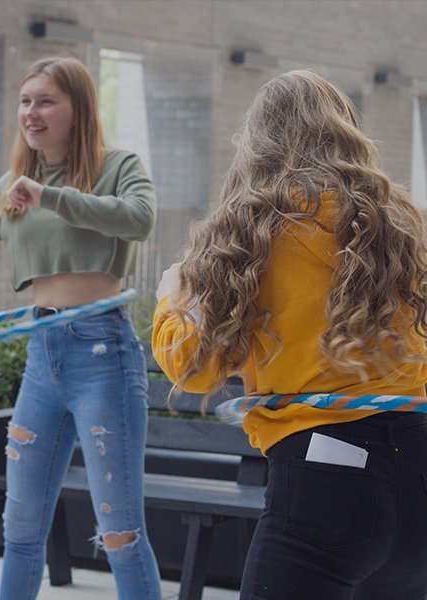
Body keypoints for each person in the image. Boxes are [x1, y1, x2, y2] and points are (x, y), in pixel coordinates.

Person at [151, 70, 427, 600]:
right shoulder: (397, 225)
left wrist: (173, 297)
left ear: (257, 143)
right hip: (417, 470)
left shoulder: (252, 230)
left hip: (326, 474)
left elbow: (195, 366)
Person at [0, 55, 162, 600]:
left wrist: (49, 196)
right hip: (44, 356)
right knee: (19, 530)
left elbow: (138, 218)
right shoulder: (14, 182)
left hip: (102, 355)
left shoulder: (117, 164)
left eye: (45, 101)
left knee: (120, 533)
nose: (31, 113)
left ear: (77, 108)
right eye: (25, 101)